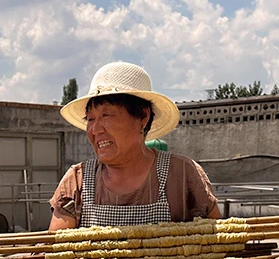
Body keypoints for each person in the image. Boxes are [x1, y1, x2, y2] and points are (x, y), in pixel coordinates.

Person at [50, 61, 221, 230]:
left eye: (106, 115)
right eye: (90, 119)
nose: (95, 130)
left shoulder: (182, 175)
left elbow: (217, 244)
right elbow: (57, 252)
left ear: (142, 116)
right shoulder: (78, 182)